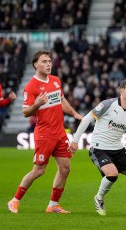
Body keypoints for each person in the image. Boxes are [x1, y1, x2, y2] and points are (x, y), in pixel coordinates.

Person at [8, 50, 82, 214]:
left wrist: (74, 113)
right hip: (44, 134)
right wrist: (37, 104)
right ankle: (15, 200)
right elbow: (25, 112)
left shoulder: (55, 80)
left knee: (65, 168)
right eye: (44, 61)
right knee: (39, 171)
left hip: (60, 132)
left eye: (49, 61)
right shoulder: (31, 87)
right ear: (35, 64)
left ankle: (53, 205)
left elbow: (62, 100)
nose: (48, 64)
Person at [69, 79, 126, 217]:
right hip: (99, 148)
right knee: (112, 174)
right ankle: (99, 198)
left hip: (118, 149)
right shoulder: (107, 104)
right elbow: (86, 119)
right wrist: (75, 141)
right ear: (121, 91)